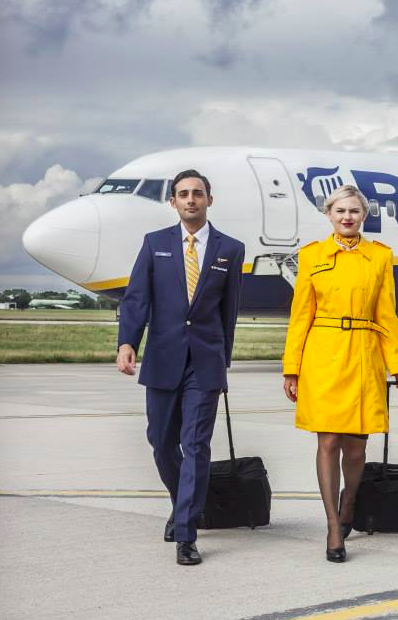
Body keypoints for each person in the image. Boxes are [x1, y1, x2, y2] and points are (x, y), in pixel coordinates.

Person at [116, 169, 245, 566]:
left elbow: (229, 312)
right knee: (160, 442)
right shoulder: (155, 244)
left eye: (198, 193)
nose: (191, 199)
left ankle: (186, 534)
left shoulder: (230, 249)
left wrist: (222, 364)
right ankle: (181, 503)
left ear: (209, 200)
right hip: (163, 358)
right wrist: (127, 343)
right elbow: (137, 299)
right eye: (184, 194)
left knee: (196, 446)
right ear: (173, 202)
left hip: (204, 364)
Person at [282, 184, 398, 564]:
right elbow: (300, 316)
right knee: (328, 442)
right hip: (322, 356)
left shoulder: (380, 257)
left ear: (364, 216)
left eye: (354, 211)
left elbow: (386, 314)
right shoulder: (311, 256)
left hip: (363, 355)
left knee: (356, 448)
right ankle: (333, 527)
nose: (347, 217)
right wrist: (292, 368)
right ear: (329, 215)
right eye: (340, 211)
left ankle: (349, 502)